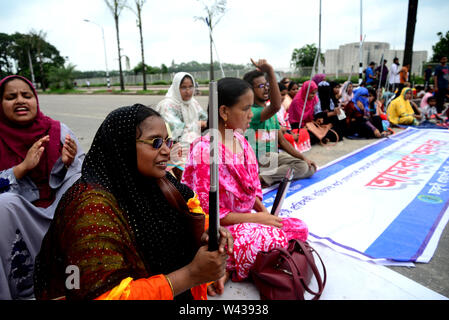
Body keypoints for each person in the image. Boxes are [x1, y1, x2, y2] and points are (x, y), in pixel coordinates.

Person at [33, 104, 233, 300]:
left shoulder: (161, 182)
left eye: (167, 141)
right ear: (123, 146)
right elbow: (105, 295)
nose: (166, 150)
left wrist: (209, 238)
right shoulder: (91, 207)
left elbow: (190, 216)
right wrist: (192, 275)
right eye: (155, 142)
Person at [182, 77, 308, 293]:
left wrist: (266, 216)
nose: (252, 114)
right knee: (267, 238)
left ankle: (231, 265)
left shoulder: (241, 140)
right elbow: (207, 214)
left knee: (298, 228)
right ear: (224, 112)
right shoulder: (206, 151)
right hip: (220, 230)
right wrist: (256, 219)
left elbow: (253, 191)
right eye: (246, 108)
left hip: (245, 221)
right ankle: (225, 267)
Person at [0, 75, 84, 299]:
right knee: (3, 204)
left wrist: (67, 164)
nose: (20, 100)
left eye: (26, 95)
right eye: (11, 97)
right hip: (18, 216)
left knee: (81, 184)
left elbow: (86, 172)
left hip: (59, 209)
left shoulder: (58, 130)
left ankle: (76, 282)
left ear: (35, 99)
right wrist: (21, 168)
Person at [243, 59, 316, 187]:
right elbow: (276, 106)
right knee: (300, 168)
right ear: (249, 90)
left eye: (266, 85)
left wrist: (303, 157)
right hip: (259, 158)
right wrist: (270, 71)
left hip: (272, 157)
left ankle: (266, 177)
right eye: (261, 86)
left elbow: (281, 141)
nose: (266, 89)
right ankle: (263, 178)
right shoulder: (252, 112)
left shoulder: (271, 113)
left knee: (309, 167)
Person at [155, 72, 208, 177]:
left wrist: (204, 124)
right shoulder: (167, 105)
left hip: (193, 143)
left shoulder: (193, 103)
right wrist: (197, 125)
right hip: (174, 146)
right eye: (183, 87)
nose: (188, 91)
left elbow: (205, 118)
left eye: (190, 87)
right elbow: (175, 128)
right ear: (176, 87)